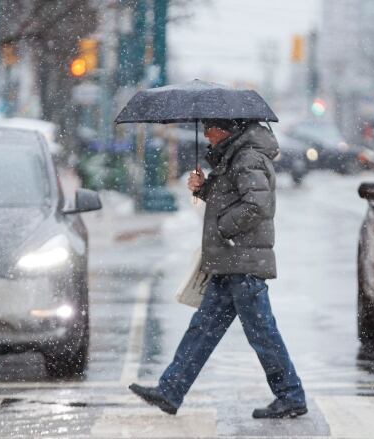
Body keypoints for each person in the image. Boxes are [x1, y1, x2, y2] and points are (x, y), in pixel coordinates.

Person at [129, 119, 307, 419]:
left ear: (225, 129)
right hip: (230, 262)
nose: (205, 134)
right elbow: (232, 197)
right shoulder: (235, 156)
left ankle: (290, 395)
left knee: (261, 332)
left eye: (209, 128)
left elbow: (257, 203)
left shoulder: (246, 157)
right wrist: (204, 188)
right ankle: (171, 390)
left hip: (243, 261)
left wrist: (224, 229)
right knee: (203, 329)